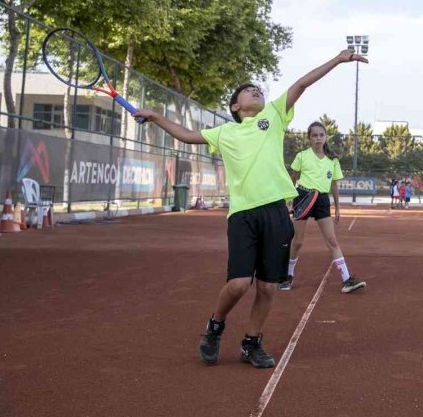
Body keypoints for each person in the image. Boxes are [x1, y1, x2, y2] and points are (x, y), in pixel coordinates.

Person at [132, 49, 367, 369]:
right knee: (240, 283)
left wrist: (338, 60)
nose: (255, 89)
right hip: (243, 215)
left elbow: (302, 84)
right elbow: (187, 135)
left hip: (275, 213)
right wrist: (157, 117)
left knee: (269, 287)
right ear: (235, 106)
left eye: (258, 88)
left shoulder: (273, 116)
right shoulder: (224, 133)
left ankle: (251, 342)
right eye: (247, 90)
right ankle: (215, 327)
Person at [280, 122, 366, 294]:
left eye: (321, 135)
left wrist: (338, 208)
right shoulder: (302, 156)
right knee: (297, 242)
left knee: (332, 241)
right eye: (314, 135)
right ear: (309, 138)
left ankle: (346, 280)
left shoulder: (332, 160)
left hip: (322, 201)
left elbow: (334, 185)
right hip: (302, 198)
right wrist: (287, 201)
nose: (318, 138)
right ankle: (288, 275)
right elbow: (292, 178)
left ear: (326, 136)